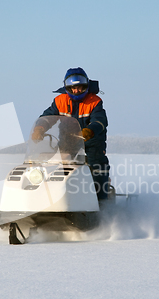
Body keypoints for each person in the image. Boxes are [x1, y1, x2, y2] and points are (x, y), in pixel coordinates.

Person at [32, 67, 110, 200]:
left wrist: (91, 130)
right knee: (57, 165)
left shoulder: (94, 101)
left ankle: (101, 201)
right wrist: (40, 127)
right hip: (68, 140)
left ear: (86, 86)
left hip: (92, 140)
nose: (76, 90)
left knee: (97, 165)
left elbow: (100, 120)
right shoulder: (60, 101)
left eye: (80, 87)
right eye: (73, 88)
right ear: (67, 87)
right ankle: (52, 197)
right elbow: (48, 116)